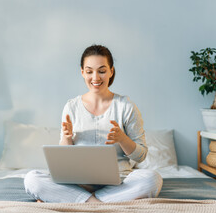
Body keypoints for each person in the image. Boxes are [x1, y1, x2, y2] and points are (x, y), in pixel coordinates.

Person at [24, 45, 163, 203]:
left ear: (111, 71)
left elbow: (141, 155)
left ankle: (84, 202)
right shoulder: (71, 106)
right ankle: (100, 202)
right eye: (89, 71)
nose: (95, 78)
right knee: (32, 179)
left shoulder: (126, 106)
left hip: (119, 182)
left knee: (153, 179)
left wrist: (122, 138)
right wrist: (67, 138)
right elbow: (63, 160)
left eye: (102, 71)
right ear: (82, 72)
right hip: (78, 183)